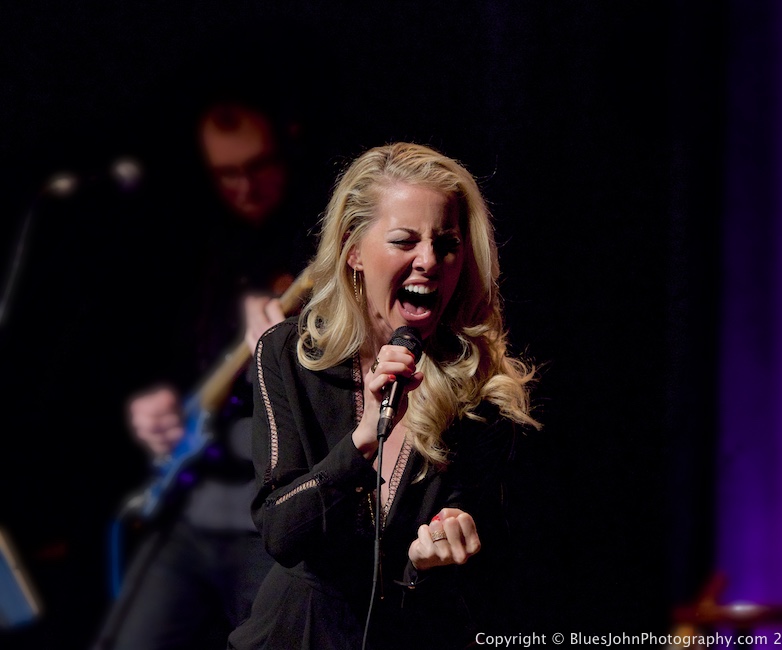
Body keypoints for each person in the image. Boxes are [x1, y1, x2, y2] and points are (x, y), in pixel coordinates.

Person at [227, 141, 541, 650]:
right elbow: (281, 532)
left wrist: (434, 555)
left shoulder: (482, 394)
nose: (429, 261)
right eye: (404, 241)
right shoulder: (289, 354)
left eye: (447, 243)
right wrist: (363, 441)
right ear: (353, 250)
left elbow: (502, 576)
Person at [90, 98, 316, 650]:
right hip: (189, 511)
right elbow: (182, 363)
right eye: (226, 174)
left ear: (289, 144)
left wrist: (278, 354)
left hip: (265, 527)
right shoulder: (209, 246)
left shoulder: (316, 244)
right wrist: (158, 407)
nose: (245, 187)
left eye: (258, 166)